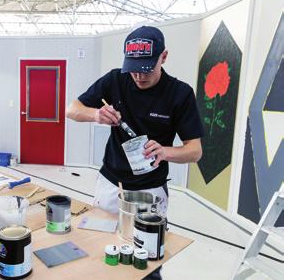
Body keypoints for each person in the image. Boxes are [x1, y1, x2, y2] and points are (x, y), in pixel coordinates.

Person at [66, 26, 204, 279]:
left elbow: (195, 151)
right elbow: (72, 109)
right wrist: (95, 114)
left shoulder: (180, 93)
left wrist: (165, 152)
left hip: (150, 190)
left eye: (147, 69)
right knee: (101, 249)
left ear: (164, 57)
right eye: (133, 70)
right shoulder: (115, 79)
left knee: (148, 260)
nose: (139, 77)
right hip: (111, 184)